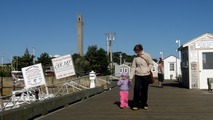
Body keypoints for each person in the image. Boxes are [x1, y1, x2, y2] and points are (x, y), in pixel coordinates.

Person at [129, 44, 153, 110]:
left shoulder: (147, 55)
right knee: (136, 89)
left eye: (136, 51)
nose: (135, 52)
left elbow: (151, 64)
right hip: (138, 75)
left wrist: (147, 70)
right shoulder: (135, 58)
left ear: (140, 50)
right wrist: (130, 77)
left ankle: (144, 104)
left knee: (144, 90)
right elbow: (133, 67)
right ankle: (135, 104)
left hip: (146, 75)